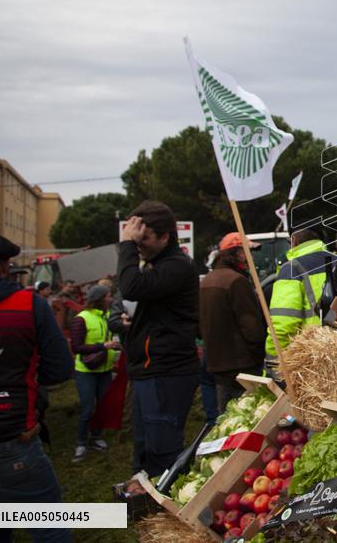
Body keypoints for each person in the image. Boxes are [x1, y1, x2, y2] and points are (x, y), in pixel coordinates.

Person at [0, 234, 74, 543]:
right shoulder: (29, 305)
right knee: (48, 528)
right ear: (4, 267)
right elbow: (59, 370)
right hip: (12, 439)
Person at [117, 200, 199, 478]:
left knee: (162, 450)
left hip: (166, 370)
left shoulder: (177, 265)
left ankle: (165, 505)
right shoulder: (157, 264)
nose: (138, 242)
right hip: (150, 369)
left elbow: (130, 287)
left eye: (144, 237)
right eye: (134, 236)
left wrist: (126, 245)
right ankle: (143, 494)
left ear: (165, 236)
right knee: (144, 446)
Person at [199, 232, 266, 410]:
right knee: (249, 415)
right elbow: (251, 327)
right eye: (248, 251)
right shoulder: (236, 281)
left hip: (217, 363)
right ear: (238, 254)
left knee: (227, 415)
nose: (251, 256)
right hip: (242, 364)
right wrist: (259, 353)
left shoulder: (207, 280)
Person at [264, 227, 337, 381]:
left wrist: (273, 362)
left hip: (309, 363)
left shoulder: (291, 269)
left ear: (294, 241)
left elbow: (283, 324)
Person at [69, 284, 121, 463]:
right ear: (99, 299)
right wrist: (103, 346)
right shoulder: (81, 319)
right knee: (88, 407)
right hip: (86, 372)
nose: (111, 299)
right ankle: (81, 443)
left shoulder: (108, 317)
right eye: (108, 296)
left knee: (102, 406)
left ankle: (96, 437)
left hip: (104, 370)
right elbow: (76, 347)